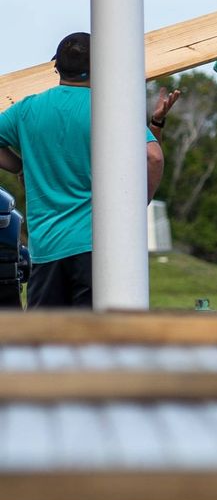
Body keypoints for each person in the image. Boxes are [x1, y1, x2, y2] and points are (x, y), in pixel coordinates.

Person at [0, 32, 180, 308]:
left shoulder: (27, 109)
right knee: (95, 343)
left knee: (45, 345)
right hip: (98, 249)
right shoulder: (110, 109)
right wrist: (136, 208)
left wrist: (20, 166)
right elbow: (152, 156)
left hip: (46, 249)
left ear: (56, 66)